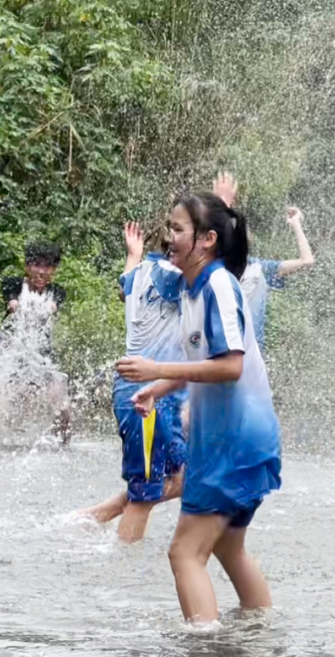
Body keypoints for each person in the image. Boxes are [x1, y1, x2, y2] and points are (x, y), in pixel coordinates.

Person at [116, 190, 281, 625]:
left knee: (184, 553)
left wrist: (153, 367)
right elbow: (202, 364)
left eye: (177, 229)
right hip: (230, 438)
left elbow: (229, 366)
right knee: (228, 547)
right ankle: (263, 636)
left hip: (234, 439)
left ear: (206, 239)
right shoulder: (193, 288)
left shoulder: (218, 286)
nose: (168, 237)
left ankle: (206, 647)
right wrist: (160, 387)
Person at [78, 222, 187, 542]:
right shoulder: (167, 273)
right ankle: (123, 574)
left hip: (153, 391)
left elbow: (126, 285)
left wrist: (132, 255)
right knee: (144, 495)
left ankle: (99, 515)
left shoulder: (140, 271)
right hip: (145, 392)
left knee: (183, 478)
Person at [211, 172, 315, 349]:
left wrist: (295, 223)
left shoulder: (260, 269)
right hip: (220, 354)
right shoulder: (216, 265)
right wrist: (223, 205)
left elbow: (307, 261)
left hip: (252, 358)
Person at [0, 241, 72, 443]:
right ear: (27, 266)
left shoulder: (57, 291)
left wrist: (50, 307)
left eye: (47, 266)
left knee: (63, 405)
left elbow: (53, 304)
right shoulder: (13, 284)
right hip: (10, 356)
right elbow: (11, 300)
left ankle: (62, 445)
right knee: (0, 400)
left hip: (41, 358)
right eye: (36, 265)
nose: (41, 271)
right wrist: (13, 303)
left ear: (54, 269)